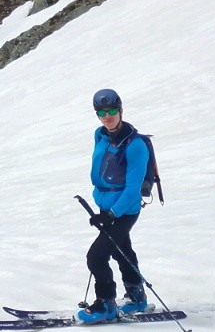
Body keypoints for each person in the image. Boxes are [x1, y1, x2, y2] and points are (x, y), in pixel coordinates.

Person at [76, 88, 151, 325]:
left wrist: (112, 213)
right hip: (106, 207)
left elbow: (132, 189)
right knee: (121, 250)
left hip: (125, 210)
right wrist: (103, 208)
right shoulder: (100, 135)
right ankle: (137, 296)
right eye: (101, 112)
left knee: (96, 256)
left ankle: (107, 304)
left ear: (120, 110)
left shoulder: (135, 145)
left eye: (111, 111)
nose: (107, 116)